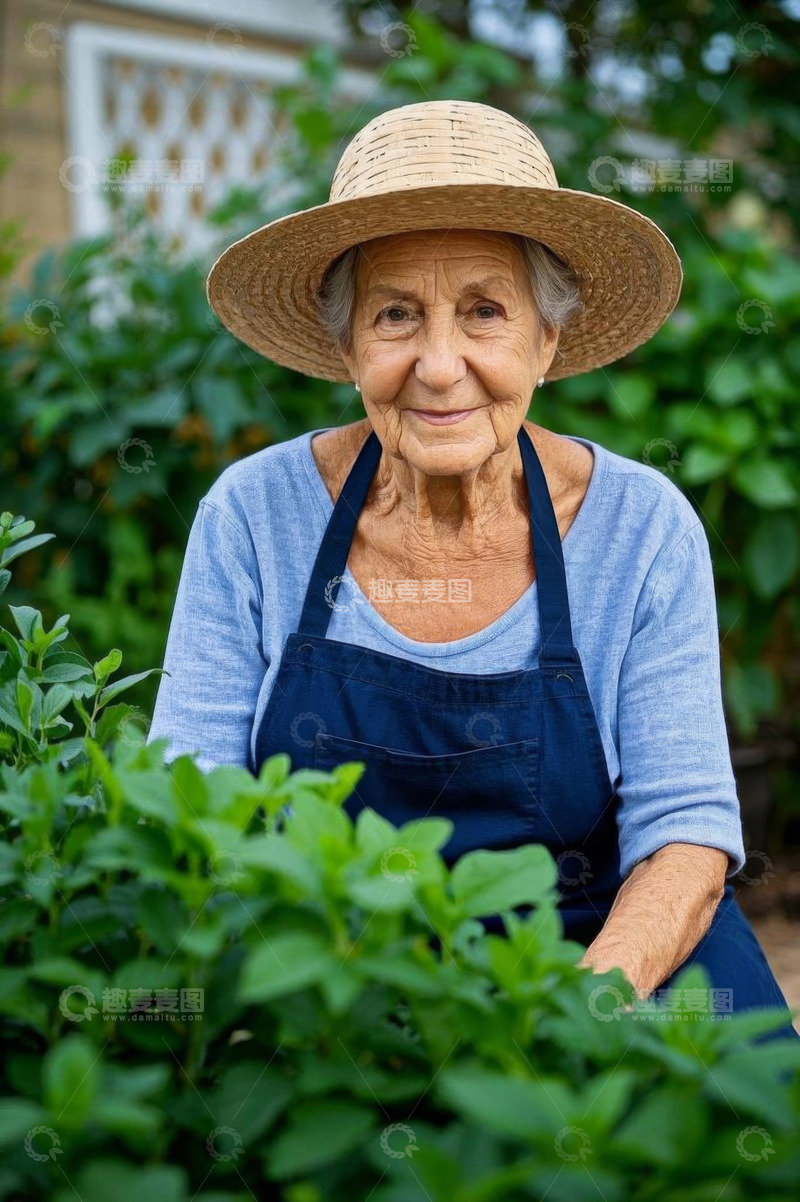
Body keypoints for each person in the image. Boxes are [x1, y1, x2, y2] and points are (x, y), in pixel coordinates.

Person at [148, 99, 797, 1041]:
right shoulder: (253, 516)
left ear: (549, 339)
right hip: (341, 962)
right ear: (347, 347)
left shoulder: (642, 527)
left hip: (611, 950)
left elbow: (686, 835)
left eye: (485, 311)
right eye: (397, 314)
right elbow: (187, 803)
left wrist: (572, 1021)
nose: (440, 365)